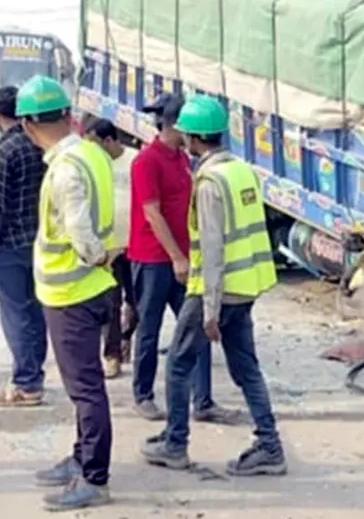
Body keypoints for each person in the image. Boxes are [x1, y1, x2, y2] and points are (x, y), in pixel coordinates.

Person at [140, 94, 286, 477]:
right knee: (246, 367)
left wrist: (209, 311)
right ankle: (270, 446)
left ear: (193, 139)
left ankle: (175, 444)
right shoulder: (243, 171)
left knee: (177, 363)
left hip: (215, 291)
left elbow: (213, 248)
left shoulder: (208, 182)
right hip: (245, 287)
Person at [17, 75, 119, 511]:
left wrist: (94, 255)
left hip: (72, 293)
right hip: (92, 290)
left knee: (85, 389)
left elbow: (79, 226)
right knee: (86, 386)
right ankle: (80, 459)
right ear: (69, 116)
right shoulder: (91, 153)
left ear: (26, 126)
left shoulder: (64, 169)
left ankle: (94, 477)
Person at [128, 93, 232, 424]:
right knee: (149, 328)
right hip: (154, 258)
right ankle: (143, 395)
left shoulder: (184, 160)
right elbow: (152, 213)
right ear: (172, 126)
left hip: (185, 258)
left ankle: (203, 401)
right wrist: (176, 257)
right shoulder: (146, 161)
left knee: (196, 327)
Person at [0, 86, 48, 407]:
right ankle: (35, 374)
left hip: (12, 248)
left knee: (15, 315)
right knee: (36, 311)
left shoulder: (6, 152)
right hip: (41, 243)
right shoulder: (39, 146)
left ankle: (26, 384)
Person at [83, 118, 137, 379]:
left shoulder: (135, 161)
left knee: (137, 302)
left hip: (137, 246)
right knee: (111, 303)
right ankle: (112, 354)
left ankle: (127, 336)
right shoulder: (91, 166)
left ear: (109, 141)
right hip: (108, 248)